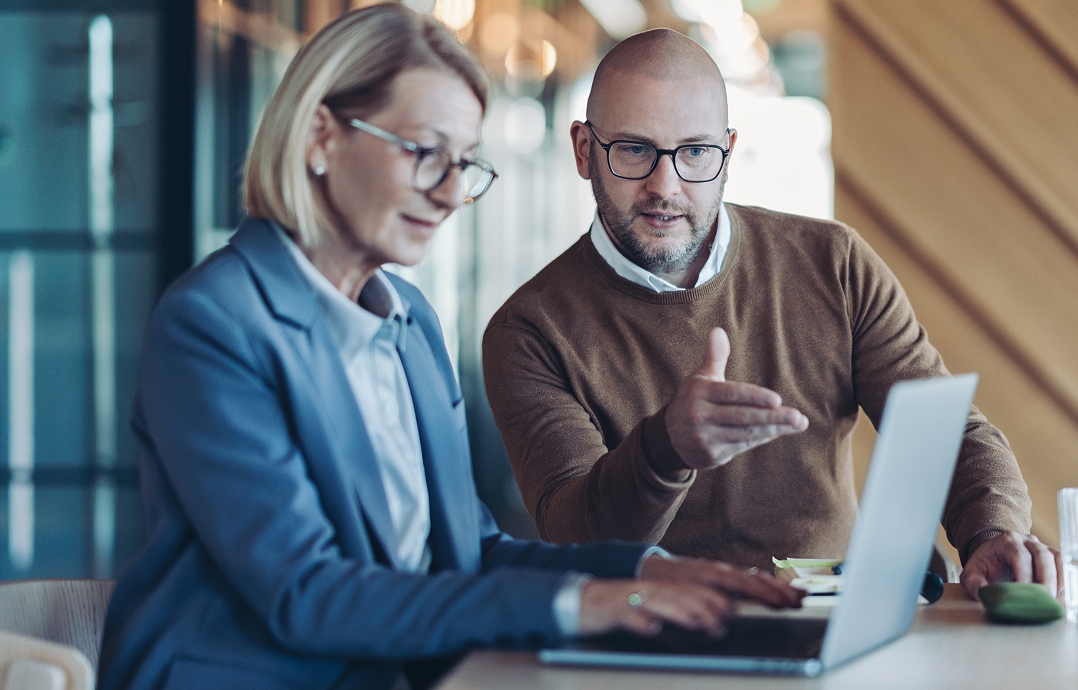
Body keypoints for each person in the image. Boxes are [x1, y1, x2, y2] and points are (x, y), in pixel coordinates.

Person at [97, 9, 802, 690]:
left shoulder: (408, 322)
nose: (445, 193)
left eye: (463, 163)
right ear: (319, 137)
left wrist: (641, 571)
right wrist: (578, 605)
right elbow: (305, 593)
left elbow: (470, 555)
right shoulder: (213, 322)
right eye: (424, 153)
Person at [482, 28, 1061, 601]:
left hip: (833, 620)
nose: (666, 184)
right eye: (634, 149)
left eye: (694, 152)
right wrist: (665, 448)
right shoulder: (529, 330)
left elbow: (942, 433)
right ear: (586, 151)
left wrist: (992, 531)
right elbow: (576, 539)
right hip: (655, 636)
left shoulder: (833, 263)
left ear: (728, 152)